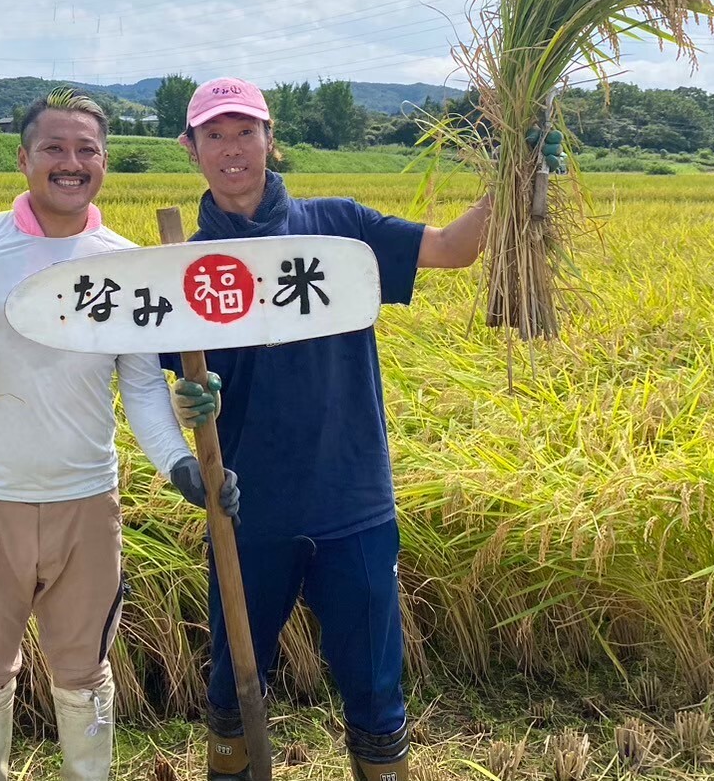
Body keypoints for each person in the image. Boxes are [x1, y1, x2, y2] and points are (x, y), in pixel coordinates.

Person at [0, 87, 239, 781]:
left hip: (87, 504)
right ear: (23, 158)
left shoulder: (123, 263)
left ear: (104, 162)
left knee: (83, 670)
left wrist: (181, 467)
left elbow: (141, 387)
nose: (70, 163)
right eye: (53, 148)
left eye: (86, 150)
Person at [166, 77, 520, 781]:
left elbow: (452, 249)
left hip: (351, 499)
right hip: (247, 507)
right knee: (233, 686)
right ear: (190, 148)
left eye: (246, 132)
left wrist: (514, 174)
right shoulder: (182, 266)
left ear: (270, 139)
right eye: (215, 135)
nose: (232, 149)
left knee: (375, 686)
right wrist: (187, 406)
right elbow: (153, 378)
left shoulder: (338, 229)